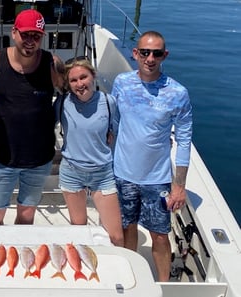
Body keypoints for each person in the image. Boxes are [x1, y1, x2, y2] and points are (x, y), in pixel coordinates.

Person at [112, 31, 192, 281]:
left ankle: (163, 283)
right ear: (135, 53)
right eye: (144, 52)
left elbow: (184, 140)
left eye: (156, 53)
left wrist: (179, 186)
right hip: (123, 173)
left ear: (164, 55)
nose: (150, 58)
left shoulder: (178, 93)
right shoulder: (121, 82)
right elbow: (113, 124)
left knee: (159, 234)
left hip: (157, 179)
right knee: (128, 227)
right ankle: (129, 275)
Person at [0, 9, 56, 225]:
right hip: (3, 158)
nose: (30, 41)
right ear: (14, 33)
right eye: (26, 34)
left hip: (40, 158)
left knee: (27, 216)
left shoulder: (53, 64)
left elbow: (71, 94)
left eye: (36, 36)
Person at [55, 59, 124, 246]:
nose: (80, 84)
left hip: (103, 174)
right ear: (68, 84)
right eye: (73, 80)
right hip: (72, 172)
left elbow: (116, 130)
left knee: (116, 235)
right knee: (79, 231)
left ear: (93, 76)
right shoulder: (62, 103)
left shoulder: (109, 102)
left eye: (83, 77)